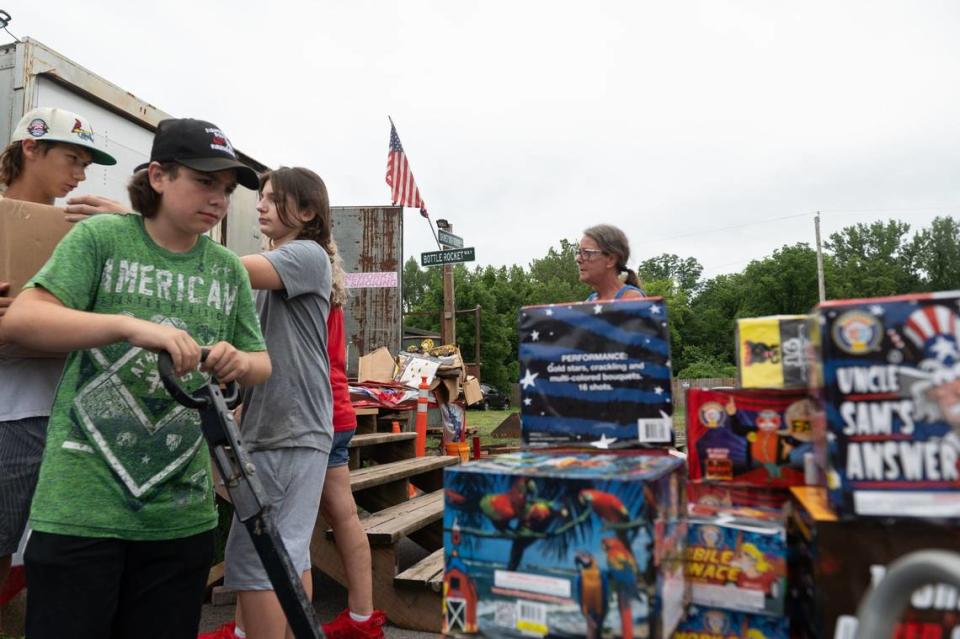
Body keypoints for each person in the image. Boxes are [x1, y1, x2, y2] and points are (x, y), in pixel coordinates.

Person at [0, 117, 271, 639]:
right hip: (81, 508)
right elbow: (24, 318)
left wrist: (239, 360)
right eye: (204, 181)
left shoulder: (227, 269)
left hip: (181, 513)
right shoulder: (102, 238)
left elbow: (261, 361)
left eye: (227, 190)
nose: (218, 199)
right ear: (158, 176)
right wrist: (130, 327)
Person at [0, 106, 117, 595]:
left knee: (53, 551)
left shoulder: (84, 228)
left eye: (87, 164)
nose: (80, 173)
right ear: (31, 146)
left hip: (71, 409)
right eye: (72, 157)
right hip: (11, 410)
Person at [220, 167, 335, 639]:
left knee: (257, 557)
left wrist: (148, 230)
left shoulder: (305, 255)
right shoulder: (283, 259)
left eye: (273, 199)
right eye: (261, 198)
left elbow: (226, 268)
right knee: (288, 551)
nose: (261, 205)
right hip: (283, 422)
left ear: (307, 212)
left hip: (290, 423)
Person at [317, 241, 386, 638]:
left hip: (315, 411)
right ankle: (362, 617)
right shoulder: (333, 291)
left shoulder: (300, 282)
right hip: (339, 408)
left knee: (287, 525)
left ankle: (254, 628)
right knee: (345, 516)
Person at [575, 224, 645, 301]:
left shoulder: (631, 299)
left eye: (587, 253)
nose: (578, 259)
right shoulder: (591, 300)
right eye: (579, 252)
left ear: (611, 259)